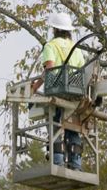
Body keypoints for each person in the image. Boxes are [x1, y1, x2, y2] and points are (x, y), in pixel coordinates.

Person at [33, 12, 86, 171]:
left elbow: (50, 68)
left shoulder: (50, 46)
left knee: (55, 123)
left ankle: (58, 161)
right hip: (74, 92)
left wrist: (35, 86)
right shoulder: (76, 49)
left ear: (54, 29)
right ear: (68, 30)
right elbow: (81, 70)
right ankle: (76, 164)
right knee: (73, 125)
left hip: (57, 90)